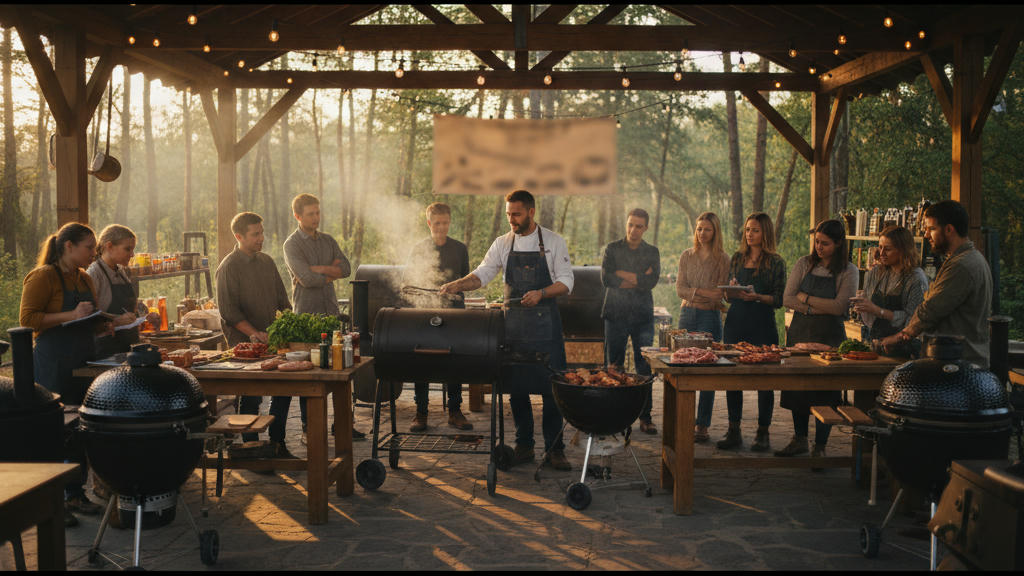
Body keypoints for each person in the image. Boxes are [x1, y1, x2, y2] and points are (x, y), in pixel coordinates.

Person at [440, 190, 574, 471]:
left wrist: (541, 293)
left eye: (516, 214)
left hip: (546, 327)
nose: (511, 220)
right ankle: (524, 445)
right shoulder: (502, 243)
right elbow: (483, 274)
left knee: (552, 389)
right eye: (508, 214)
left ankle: (555, 449)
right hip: (514, 328)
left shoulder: (553, 241)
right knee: (517, 388)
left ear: (531, 212)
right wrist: (457, 285)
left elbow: (566, 282)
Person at [19, 222, 107, 523]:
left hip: (83, 361)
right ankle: (52, 503)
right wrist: (71, 314)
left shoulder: (85, 278)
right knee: (56, 431)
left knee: (81, 429)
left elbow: (90, 319)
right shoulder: (43, 277)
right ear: (68, 246)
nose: (93, 253)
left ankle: (75, 493)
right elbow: (27, 319)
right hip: (53, 362)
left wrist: (109, 323)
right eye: (89, 248)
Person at [282, 193, 362, 444]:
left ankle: (343, 425)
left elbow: (346, 268)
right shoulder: (292, 245)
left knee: (341, 369)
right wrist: (329, 272)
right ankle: (309, 429)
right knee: (310, 374)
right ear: (297, 216)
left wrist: (320, 270)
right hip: (307, 317)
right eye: (310, 214)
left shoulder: (328, 240)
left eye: (317, 212)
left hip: (331, 314)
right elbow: (306, 279)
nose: (316, 218)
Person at [216, 211, 296, 460]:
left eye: (261, 232)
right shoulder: (229, 267)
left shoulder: (267, 262)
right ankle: (251, 450)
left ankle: (278, 444)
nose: (261, 238)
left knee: (283, 391)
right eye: (255, 234)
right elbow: (229, 312)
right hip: (245, 346)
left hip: (274, 342)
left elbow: (283, 301)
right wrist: (255, 334)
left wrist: (285, 328)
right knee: (251, 396)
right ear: (239, 236)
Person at [779, 219, 858, 461]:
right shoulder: (804, 263)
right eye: (817, 242)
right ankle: (800, 439)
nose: (819, 247)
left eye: (825, 243)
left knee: (826, 391)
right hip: (800, 332)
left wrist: (805, 299)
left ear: (839, 243)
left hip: (830, 336)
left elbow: (839, 307)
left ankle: (820, 446)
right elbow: (787, 298)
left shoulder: (849, 270)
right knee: (797, 388)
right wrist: (816, 308)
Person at [879, 200, 992, 367]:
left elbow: (931, 309)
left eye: (931, 229)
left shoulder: (962, 265)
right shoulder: (968, 259)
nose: (926, 235)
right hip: (957, 360)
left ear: (949, 229)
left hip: (957, 366)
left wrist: (901, 336)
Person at [402, 202, 472, 432]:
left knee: (455, 361)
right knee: (422, 361)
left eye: (446, 223)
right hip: (425, 312)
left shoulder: (460, 249)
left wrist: (454, 289)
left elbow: (465, 280)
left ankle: (455, 411)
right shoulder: (419, 249)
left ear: (450, 222)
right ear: (429, 223)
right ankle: (421, 413)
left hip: (455, 313)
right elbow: (407, 284)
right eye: (437, 223)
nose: (442, 227)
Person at [720, 212, 787, 452]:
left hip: (762, 324)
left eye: (755, 230)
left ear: (765, 233)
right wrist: (731, 290)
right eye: (747, 230)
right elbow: (727, 296)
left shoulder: (776, 262)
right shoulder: (737, 258)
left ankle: (763, 432)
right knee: (732, 377)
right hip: (736, 322)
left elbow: (780, 299)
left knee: (765, 379)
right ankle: (733, 430)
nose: (749, 234)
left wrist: (757, 296)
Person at [601, 208, 661, 434]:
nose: (633, 230)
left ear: (646, 228)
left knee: (644, 367)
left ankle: (645, 417)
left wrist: (621, 273)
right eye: (630, 224)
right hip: (615, 314)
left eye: (638, 226)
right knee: (613, 367)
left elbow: (651, 282)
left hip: (642, 316)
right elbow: (606, 278)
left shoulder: (652, 251)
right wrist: (638, 277)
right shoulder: (612, 248)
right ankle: (614, 416)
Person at [674, 212, 729, 442]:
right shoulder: (686, 256)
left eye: (707, 229)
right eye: (699, 229)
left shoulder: (723, 259)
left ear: (715, 231)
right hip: (687, 315)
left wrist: (694, 293)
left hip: (710, 316)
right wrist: (703, 294)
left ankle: (702, 425)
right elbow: (680, 289)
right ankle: (682, 419)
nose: (702, 233)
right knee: (681, 366)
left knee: (707, 370)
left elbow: (720, 294)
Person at [852, 225, 929, 358]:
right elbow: (869, 320)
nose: (881, 253)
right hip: (874, 343)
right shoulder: (876, 272)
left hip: (903, 350)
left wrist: (877, 310)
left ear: (903, 250)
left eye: (887, 249)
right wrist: (862, 308)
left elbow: (913, 322)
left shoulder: (915, 278)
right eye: (880, 247)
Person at [87, 224, 161, 358]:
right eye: (128, 249)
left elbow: (129, 308)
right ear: (109, 246)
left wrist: (145, 316)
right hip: (106, 350)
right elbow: (88, 316)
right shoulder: (94, 274)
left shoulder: (121, 271)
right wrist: (114, 322)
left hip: (129, 346)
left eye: (132, 249)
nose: (132, 254)